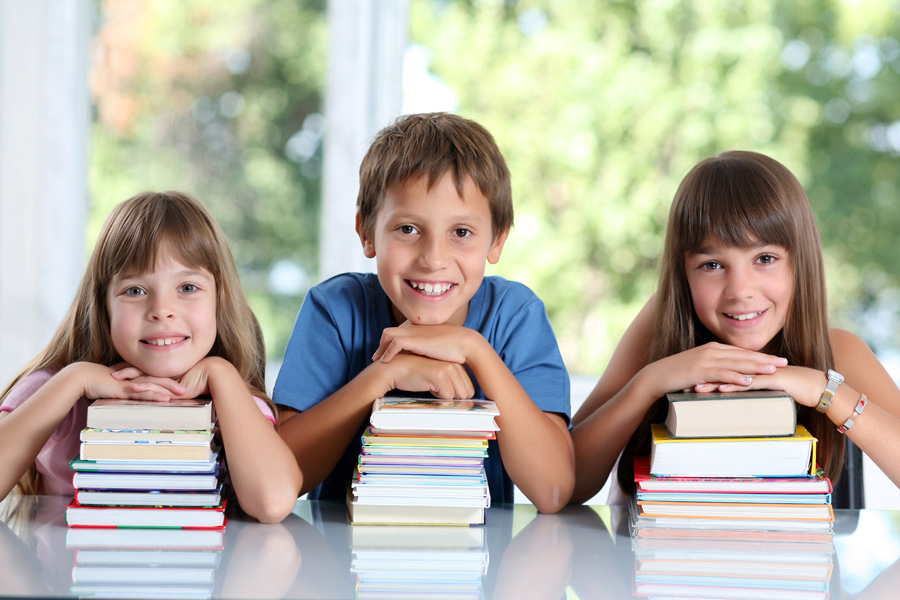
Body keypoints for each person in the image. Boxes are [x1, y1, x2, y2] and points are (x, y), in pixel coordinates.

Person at [274, 112, 574, 513]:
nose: (434, 259)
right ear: (367, 232)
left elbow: (553, 489)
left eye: (461, 233)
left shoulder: (515, 316)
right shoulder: (335, 309)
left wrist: (475, 350)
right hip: (341, 561)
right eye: (408, 230)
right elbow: (280, 476)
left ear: (497, 240)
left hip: (476, 562)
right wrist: (383, 375)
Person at [570, 150, 900, 505]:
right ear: (683, 273)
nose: (740, 290)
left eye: (765, 259)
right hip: (655, 555)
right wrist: (650, 382)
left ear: (800, 264)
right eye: (712, 264)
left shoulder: (839, 352)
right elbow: (569, 481)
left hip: (792, 555)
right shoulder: (660, 324)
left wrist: (824, 390)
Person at [0, 191, 302, 522]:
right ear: (104, 307)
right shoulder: (55, 389)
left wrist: (221, 373)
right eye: (135, 291)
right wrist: (75, 378)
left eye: (187, 287)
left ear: (219, 299)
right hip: (67, 571)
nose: (161, 311)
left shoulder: (233, 400)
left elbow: (273, 502)